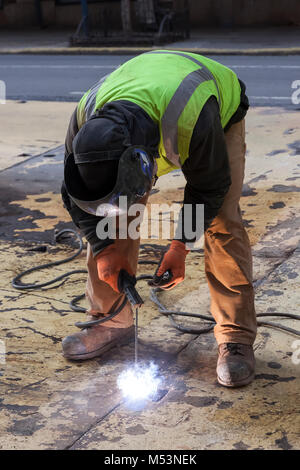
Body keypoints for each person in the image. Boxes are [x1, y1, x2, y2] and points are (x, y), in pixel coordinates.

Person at [61, 51, 256, 388]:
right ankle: (110, 319)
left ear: (143, 167)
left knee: (221, 220)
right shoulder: (83, 124)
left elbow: (207, 189)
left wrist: (179, 247)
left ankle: (234, 337)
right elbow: (77, 198)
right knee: (111, 221)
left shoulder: (191, 117)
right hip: (152, 102)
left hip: (213, 110)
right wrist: (104, 248)